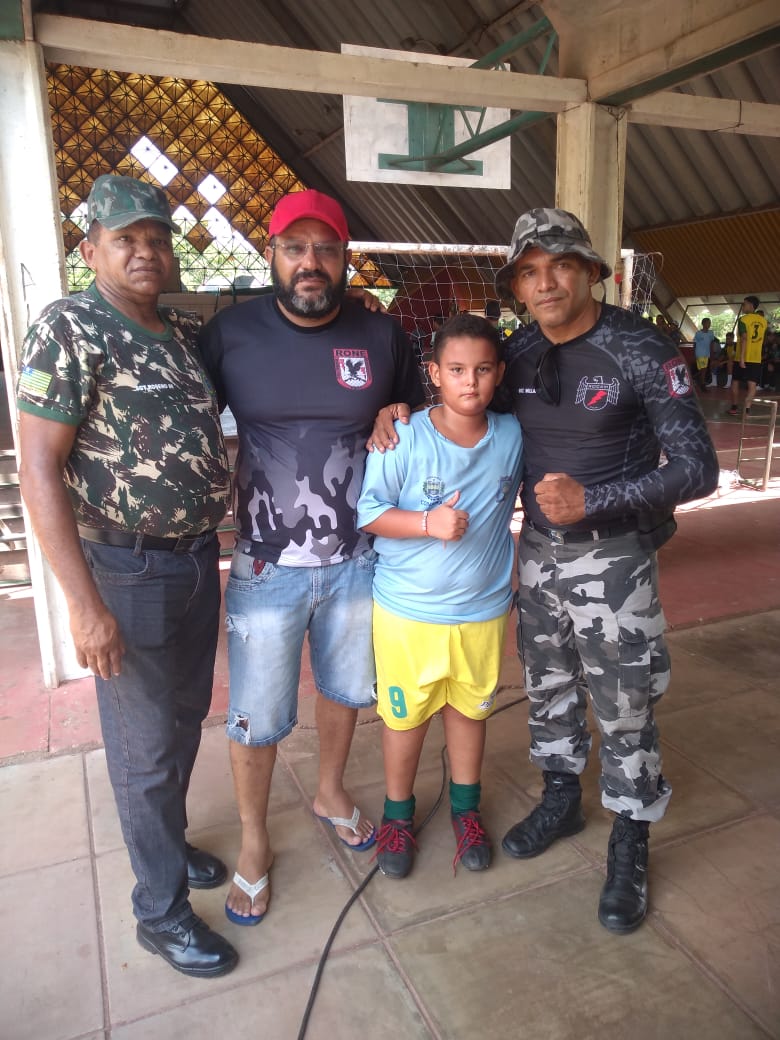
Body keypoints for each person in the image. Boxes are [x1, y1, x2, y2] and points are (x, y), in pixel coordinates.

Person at [370, 208, 719, 935]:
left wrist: (599, 500)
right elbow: (461, 400)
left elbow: (698, 467)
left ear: (594, 271)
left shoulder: (640, 346)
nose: (546, 282)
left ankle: (630, 838)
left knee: (624, 702)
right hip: (535, 556)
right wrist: (396, 411)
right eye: (529, 271)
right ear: (517, 287)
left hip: (615, 558)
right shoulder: (519, 351)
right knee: (548, 686)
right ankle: (562, 799)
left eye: (561, 265)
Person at [16, 174, 238, 977]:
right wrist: (84, 607)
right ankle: (161, 912)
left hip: (193, 559)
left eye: (156, 238)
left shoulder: (177, 333)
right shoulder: (70, 326)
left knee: (181, 722)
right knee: (143, 748)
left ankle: (168, 845)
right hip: (125, 568)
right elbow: (38, 469)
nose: (145, 252)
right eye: (125, 240)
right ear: (91, 250)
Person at [197, 189, 425, 925]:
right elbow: (187, 424)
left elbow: (419, 416)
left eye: (325, 248)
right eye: (295, 247)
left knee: (346, 690)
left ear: (345, 256)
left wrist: (399, 412)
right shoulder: (230, 334)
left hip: (360, 559)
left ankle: (329, 791)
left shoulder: (382, 336)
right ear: (271, 254)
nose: (310, 262)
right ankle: (255, 840)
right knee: (257, 716)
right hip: (265, 566)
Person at [357, 314, 522, 880]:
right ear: (433, 374)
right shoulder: (402, 437)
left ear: (500, 374)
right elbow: (369, 513)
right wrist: (428, 522)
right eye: (456, 370)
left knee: (470, 711)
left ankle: (466, 811)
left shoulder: (513, 435)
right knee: (404, 720)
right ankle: (397, 816)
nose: (469, 381)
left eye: (482, 370)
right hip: (409, 611)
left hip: (482, 609)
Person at [729, 295, 768, 415]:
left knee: (735, 382)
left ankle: (734, 408)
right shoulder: (763, 321)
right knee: (752, 385)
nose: (742, 306)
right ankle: (747, 410)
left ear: (751, 305)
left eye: (744, 304)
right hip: (756, 358)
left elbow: (744, 338)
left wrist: (742, 358)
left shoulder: (743, 320)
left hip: (741, 358)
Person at [692, 317, 715, 391]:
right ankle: (702, 385)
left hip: (707, 354)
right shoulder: (698, 333)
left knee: (702, 370)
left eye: (709, 323)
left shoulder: (711, 333)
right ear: (703, 324)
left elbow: (711, 344)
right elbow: (695, 344)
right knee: (704, 369)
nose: (709, 324)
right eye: (707, 323)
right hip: (700, 353)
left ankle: (693, 379)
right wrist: (694, 354)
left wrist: (712, 354)